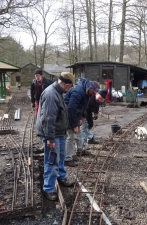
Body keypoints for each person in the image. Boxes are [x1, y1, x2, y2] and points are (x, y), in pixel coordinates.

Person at [35, 72, 75, 201]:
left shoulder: (57, 92)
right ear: (65, 84)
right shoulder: (51, 94)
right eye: (69, 87)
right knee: (52, 161)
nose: (69, 89)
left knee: (61, 157)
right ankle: (49, 188)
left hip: (59, 132)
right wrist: (50, 138)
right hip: (52, 133)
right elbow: (48, 118)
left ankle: (61, 177)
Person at [64, 78, 97, 167]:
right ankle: (67, 159)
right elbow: (71, 108)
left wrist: (80, 117)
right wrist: (74, 124)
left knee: (78, 134)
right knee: (70, 136)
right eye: (93, 91)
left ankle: (80, 150)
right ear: (90, 88)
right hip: (67, 115)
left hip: (74, 114)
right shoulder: (78, 91)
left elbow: (80, 106)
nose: (94, 94)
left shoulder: (85, 92)